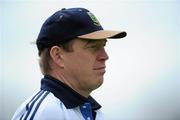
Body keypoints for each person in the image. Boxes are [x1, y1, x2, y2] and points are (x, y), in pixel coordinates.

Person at [12, 7, 126, 120]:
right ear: (58, 56)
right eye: (93, 47)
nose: (105, 56)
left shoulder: (93, 112)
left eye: (103, 46)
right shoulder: (46, 112)